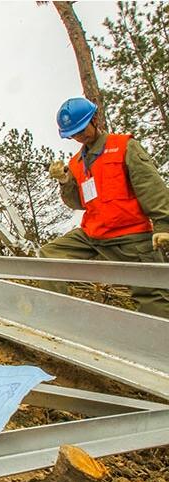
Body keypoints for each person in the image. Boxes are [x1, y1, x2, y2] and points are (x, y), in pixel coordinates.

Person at [40, 97, 169, 318]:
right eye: (73, 134)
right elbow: (77, 203)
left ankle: (159, 338)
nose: (79, 137)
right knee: (50, 254)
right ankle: (57, 318)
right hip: (93, 234)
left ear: (95, 119)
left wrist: (163, 225)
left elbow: (150, 186)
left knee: (153, 296)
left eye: (82, 130)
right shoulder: (77, 163)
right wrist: (64, 180)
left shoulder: (124, 147)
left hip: (130, 235)